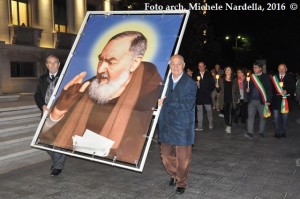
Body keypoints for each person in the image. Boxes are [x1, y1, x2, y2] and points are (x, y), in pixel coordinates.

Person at [38, 31, 162, 164]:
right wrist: (59, 110)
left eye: (111, 62)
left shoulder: (150, 93)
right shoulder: (86, 88)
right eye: (100, 60)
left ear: (134, 63)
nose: (101, 69)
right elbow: (47, 136)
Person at [158, 54, 197, 194]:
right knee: (165, 156)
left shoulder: (190, 83)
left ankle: (182, 182)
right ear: (169, 65)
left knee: (183, 158)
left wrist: (167, 101)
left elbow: (187, 104)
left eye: (178, 64)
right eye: (172, 64)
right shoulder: (164, 81)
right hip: (166, 125)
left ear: (183, 65)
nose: (175, 66)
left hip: (182, 125)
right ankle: (175, 175)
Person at [34, 54, 66, 176]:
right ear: (46, 65)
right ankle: (57, 160)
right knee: (43, 141)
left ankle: (58, 166)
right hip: (46, 114)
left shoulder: (65, 77)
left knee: (58, 141)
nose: (52, 65)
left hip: (60, 115)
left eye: (55, 62)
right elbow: (37, 95)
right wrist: (42, 105)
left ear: (59, 64)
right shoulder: (42, 79)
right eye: (50, 63)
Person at [244, 62, 272, 139]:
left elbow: (269, 89)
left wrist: (268, 100)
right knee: (250, 116)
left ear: (260, 68)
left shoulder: (265, 77)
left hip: (262, 101)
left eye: (256, 67)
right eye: (253, 67)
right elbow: (247, 86)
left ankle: (261, 132)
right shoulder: (251, 77)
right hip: (252, 100)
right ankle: (250, 132)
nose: (254, 69)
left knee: (262, 117)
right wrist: (247, 90)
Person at [271, 63, 295, 138]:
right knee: (275, 118)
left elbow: (293, 88)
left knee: (284, 118)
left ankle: (283, 132)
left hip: (286, 102)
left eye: (283, 68)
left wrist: (286, 91)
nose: (281, 70)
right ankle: (277, 132)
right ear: (278, 69)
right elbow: (271, 88)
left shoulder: (290, 77)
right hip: (276, 101)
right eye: (280, 68)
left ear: (286, 69)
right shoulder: (274, 77)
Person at [216, 66, 240, 134]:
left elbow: (237, 90)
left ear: (231, 71)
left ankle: (229, 126)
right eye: (226, 69)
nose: (227, 70)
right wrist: (217, 87)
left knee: (229, 113)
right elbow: (218, 90)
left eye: (228, 69)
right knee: (225, 113)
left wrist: (238, 98)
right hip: (223, 99)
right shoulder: (221, 79)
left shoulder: (234, 80)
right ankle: (227, 124)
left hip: (231, 99)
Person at [194, 62, 215, 131]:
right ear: (198, 67)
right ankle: (200, 126)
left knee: (209, 110)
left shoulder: (209, 74)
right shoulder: (195, 74)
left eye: (202, 66)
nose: (201, 67)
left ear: (205, 66)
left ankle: (211, 123)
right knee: (199, 111)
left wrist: (209, 92)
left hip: (207, 95)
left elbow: (212, 84)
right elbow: (191, 84)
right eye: (199, 66)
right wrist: (195, 84)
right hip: (199, 95)